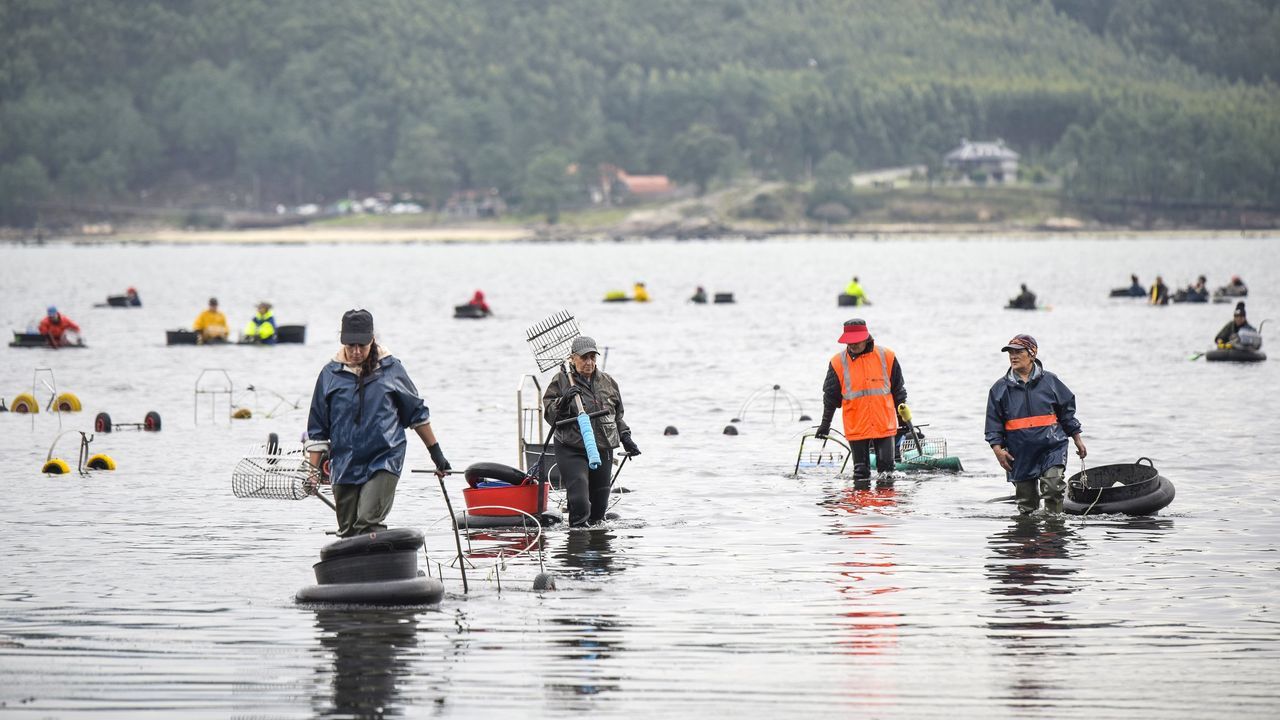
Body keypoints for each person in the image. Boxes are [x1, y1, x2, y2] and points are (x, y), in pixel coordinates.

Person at [307, 309, 451, 538]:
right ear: (342, 341)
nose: (355, 351)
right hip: (344, 463)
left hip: (384, 457)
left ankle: (385, 565)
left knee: (366, 521)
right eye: (350, 345)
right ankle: (354, 571)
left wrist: (437, 454)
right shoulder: (330, 375)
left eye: (361, 346)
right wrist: (313, 472)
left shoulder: (390, 370)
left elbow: (417, 414)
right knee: (348, 530)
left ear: (372, 339)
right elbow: (317, 431)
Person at [542, 336, 640, 527]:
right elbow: (549, 414)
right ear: (572, 358)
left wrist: (626, 436)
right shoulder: (561, 380)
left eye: (592, 357)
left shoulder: (608, 382)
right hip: (571, 447)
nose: (589, 362)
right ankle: (576, 546)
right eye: (584, 357)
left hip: (602, 447)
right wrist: (563, 401)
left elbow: (616, 415)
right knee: (580, 502)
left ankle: (599, 550)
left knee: (599, 509)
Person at [985, 334, 1086, 515]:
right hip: (1019, 453)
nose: (1013, 356)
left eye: (1018, 352)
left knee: (1054, 488)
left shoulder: (1051, 382)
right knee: (1027, 505)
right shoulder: (999, 389)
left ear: (1032, 354)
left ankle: (1053, 533)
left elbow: (1067, 414)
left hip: (1052, 447)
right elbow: (993, 425)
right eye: (1010, 353)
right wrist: (998, 451)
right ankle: (1027, 538)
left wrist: (1077, 439)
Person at [815, 319, 907, 481]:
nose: (853, 345)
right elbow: (830, 398)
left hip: (884, 423)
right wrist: (825, 424)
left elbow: (898, 391)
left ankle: (885, 506)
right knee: (861, 474)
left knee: (887, 473)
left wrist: (902, 420)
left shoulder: (887, 356)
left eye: (856, 341)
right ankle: (860, 506)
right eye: (849, 342)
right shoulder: (838, 362)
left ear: (866, 338)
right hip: (856, 426)